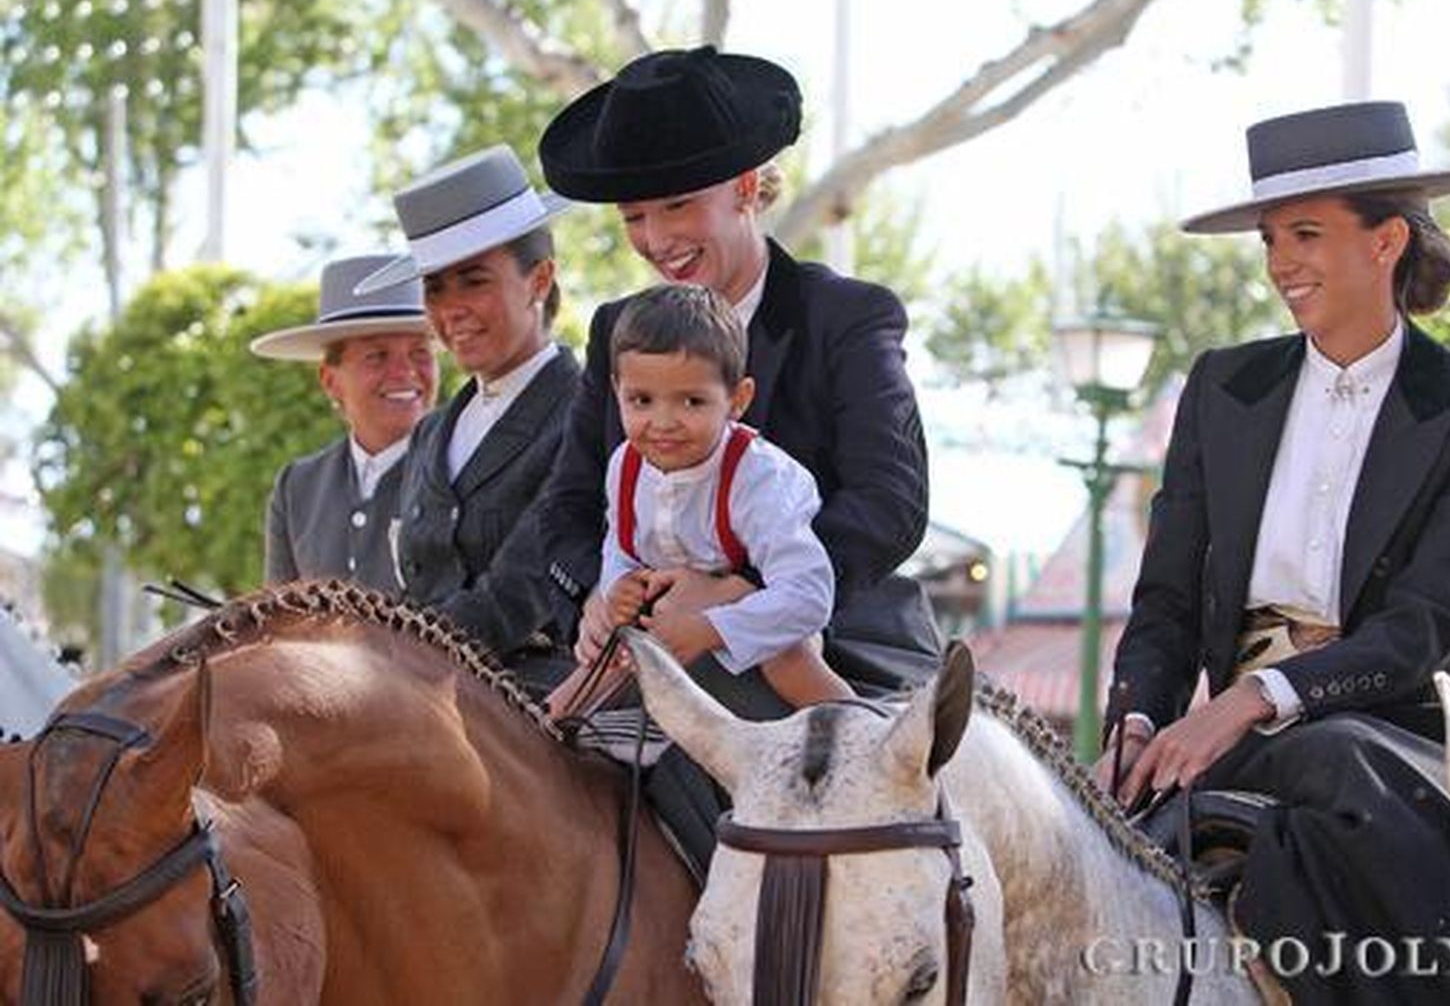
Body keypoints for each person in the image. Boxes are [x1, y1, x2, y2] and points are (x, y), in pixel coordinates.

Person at [1095, 101, 1450, 1005]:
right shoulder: (1222, 387)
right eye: (1268, 239)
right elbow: (1167, 599)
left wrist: (1256, 698)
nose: (1279, 263)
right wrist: (1135, 723)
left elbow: (1423, 626)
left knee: (1332, 765)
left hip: (1392, 742)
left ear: (1386, 243)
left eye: (1304, 233)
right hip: (1223, 743)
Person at [533, 44, 942, 722]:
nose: (656, 238)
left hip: (833, 647)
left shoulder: (847, 315)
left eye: (677, 206)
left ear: (747, 189)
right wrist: (607, 598)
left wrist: (736, 593)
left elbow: (889, 502)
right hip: (649, 652)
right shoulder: (615, 330)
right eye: (634, 217)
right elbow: (569, 509)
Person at [355, 144, 581, 678]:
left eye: (474, 281)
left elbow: (521, 589)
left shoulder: (586, 411)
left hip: (540, 702)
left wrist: (395, 661)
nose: (450, 310)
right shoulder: (432, 432)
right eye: (434, 289)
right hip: (423, 683)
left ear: (539, 280)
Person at [598, 284, 854, 708]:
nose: (662, 422)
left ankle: (867, 739)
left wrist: (713, 628)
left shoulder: (758, 477)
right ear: (617, 390)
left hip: (757, 604)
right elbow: (620, 543)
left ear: (737, 399)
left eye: (692, 402)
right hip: (669, 611)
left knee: (788, 661)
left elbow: (808, 594)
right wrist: (617, 584)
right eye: (641, 400)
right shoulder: (623, 466)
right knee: (590, 671)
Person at [252, 254, 438, 592]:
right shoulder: (298, 487)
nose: (405, 372)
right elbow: (278, 627)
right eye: (377, 356)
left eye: (420, 353)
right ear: (330, 380)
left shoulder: (462, 471)